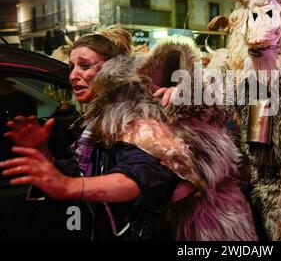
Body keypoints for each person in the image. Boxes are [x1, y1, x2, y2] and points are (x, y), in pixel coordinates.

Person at [0, 29, 179, 240]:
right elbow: (80, 170)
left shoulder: (136, 114)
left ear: (113, 70)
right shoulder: (94, 121)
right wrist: (41, 151)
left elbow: (143, 176)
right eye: (71, 67)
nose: (73, 76)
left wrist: (69, 186)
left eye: (85, 66)